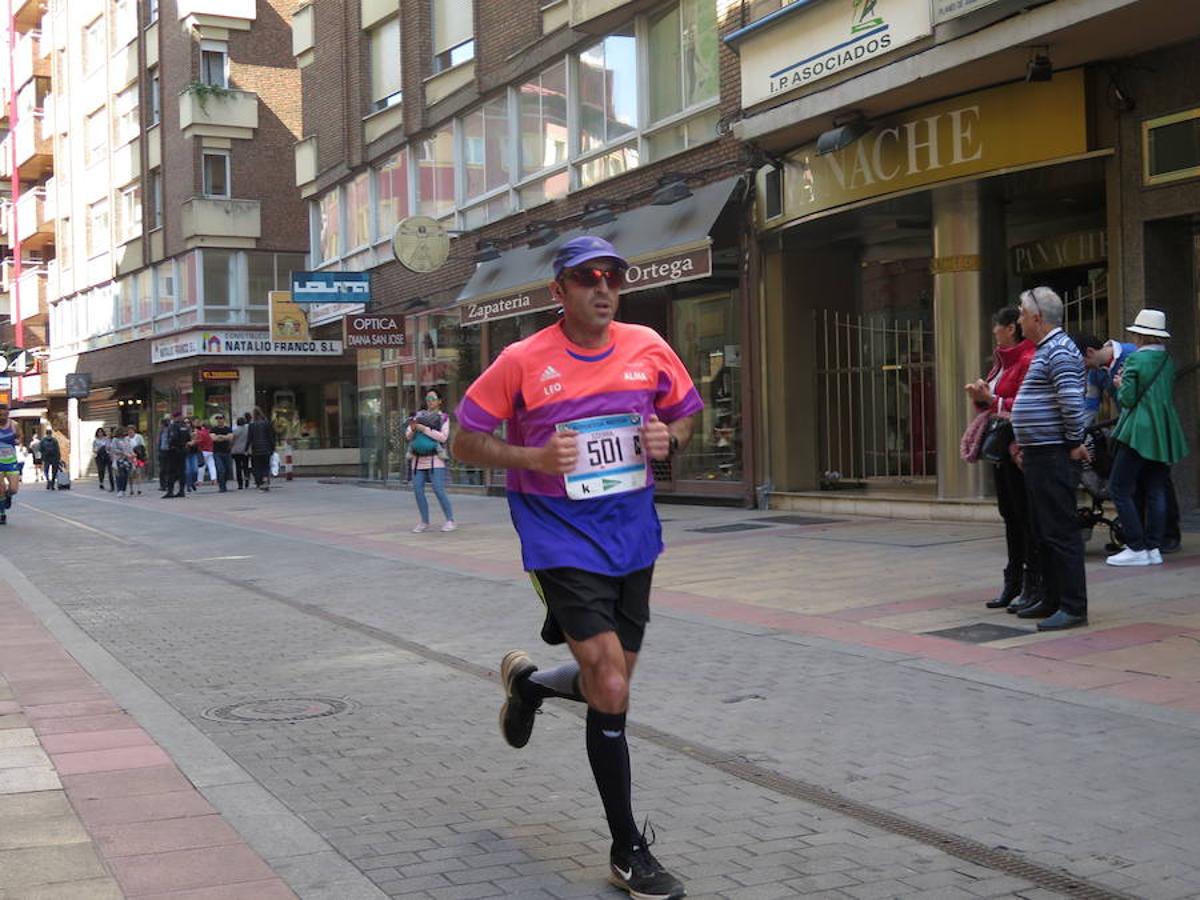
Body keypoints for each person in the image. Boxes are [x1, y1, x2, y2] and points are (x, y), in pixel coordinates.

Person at [452, 235, 699, 900]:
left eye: (613, 277)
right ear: (557, 291)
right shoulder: (520, 360)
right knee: (611, 682)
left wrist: (665, 439)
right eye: (587, 278)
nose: (602, 288)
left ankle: (529, 686)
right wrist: (533, 460)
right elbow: (464, 438)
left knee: (609, 684)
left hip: (633, 538)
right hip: (558, 536)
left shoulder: (648, 345)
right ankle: (628, 850)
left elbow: (684, 419)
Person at [1010, 287, 1090, 632]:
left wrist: (1074, 442)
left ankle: (1072, 606)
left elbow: (1072, 403)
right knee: (1045, 530)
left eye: (1022, 313)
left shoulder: (1058, 351)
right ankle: (1054, 598)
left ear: (1037, 318)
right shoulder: (1047, 350)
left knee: (1060, 531)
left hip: (1055, 453)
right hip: (1041, 453)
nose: (1018, 319)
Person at [964, 307, 1036, 610]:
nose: (994, 330)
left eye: (998, 325)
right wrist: (983, 399)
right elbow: (994, 406)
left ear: (1011, 328)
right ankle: (1014, 581)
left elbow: (1024, 401)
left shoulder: (1028, 358)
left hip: (1020, 448)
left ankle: (1032, 583)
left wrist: (992, 400)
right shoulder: (1003, 361)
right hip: (1002, 446)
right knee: (1010, 514)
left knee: (1024, 515)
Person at [1105, 310, 1189, 567]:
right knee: (1156, 488)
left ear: (1140, 335)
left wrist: (1120, 385)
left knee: (1119, 487)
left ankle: (1136, 546)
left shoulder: (1135, 362)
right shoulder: (1167, 361)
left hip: (1138, 430)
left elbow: (1128, 399)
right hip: (1163, 429)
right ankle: (1153, 546)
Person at [405, 390, 455, 532]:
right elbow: (408, 435)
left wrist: (425, 429)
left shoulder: (443, 417)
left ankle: (450, 519)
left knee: (439, 490)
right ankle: (424, 521)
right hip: (417, 459)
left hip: (435, 459)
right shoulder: (418, 415)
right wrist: (414, 429)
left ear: (439, 401)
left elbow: (443, 437)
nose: (430, 401)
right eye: (428, 399)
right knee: (418, 490)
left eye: (433, 399)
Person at [0, 405, 21, 524]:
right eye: (1, 415)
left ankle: (8, 496)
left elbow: (19, 437)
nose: (3, 417)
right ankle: (2, 514)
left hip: (11, 461)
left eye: (5, 415)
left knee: (13, 489)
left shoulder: (14, 425)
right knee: (0, 489)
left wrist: (17, 441)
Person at [162, 412, 191, 499]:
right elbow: (188, 438)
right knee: (182, 471)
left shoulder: (173, 426)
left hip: (174, 450)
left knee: (171, 471)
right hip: (183, 450)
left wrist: (170, 445)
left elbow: (172, 438)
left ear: (174, 417)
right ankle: (181, 491)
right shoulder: (185, 426)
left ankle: (170, 491)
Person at [248, 407, 276, 491]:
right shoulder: (266, 423)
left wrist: (246, 449)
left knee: (257, 467)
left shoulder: (252, 425)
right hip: (266, 448)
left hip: (256, 450)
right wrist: (273, 447)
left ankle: (259, 483)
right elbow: (270, 437)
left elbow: (249, 438)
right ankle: (265, 479)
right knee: (266, 466)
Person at [210, 413, 233, 492]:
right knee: (220, 469)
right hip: (217, 452)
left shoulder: (228, 428)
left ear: (224, 419)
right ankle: (222, 486)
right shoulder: (213, 429)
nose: (219, 420)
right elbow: (213, 438)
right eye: (218, 419)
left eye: (221, 418)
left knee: (228, 469)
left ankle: (224, 482)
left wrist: (220, 436)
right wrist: (224, 437)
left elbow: (230, 437)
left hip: (227, 452)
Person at [109, 426, 134, 498]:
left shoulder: (126, 439)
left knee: (126, 474)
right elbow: (114, 449)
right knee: (120, 474)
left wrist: (132, 454)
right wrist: (122, 453)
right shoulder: (115, 440)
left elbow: (129, 447)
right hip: (119, 459)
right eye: (123, 431)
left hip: (127, 459)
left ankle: (124, 489)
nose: (124, 433)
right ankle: (120, 489)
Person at [193, 419, 216, 486]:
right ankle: (214, 479)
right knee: (211, 465)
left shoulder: (201, 432)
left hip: (203, 450)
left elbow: (199, 440)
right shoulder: (209, 432)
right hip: (210, 450)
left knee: (202, 466)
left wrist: (194, 442)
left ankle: (200, 481)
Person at [230, 415, 251, 489]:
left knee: (238, 467)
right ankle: (247, 479)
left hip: (236, 451)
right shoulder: (248, 429)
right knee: (246, 466)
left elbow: (232, 441)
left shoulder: (235, 430)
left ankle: (240, 484)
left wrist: (230, 447)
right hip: (246, 450)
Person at [128, 425, 147, 495]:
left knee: (138, 472)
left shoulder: (139, 437)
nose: (130, 431)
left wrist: (139, 453)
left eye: (131, 430)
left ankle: (139, 489)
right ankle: (131, 489)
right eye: (129, 430)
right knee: (130, 474)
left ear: (134, 430)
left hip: (138, 457)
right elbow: (125, 447)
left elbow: (143, 446)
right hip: (130, 458)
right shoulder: (126, 438)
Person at [156, 417, 171, 491]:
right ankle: (163, 485)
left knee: (168, 468)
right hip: (162, 451)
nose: (159, 425)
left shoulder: (169, 430)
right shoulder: (160, 432)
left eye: (160, 424)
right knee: (162, 469)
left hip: (168, 451)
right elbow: (159, 442)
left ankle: (168, 484)